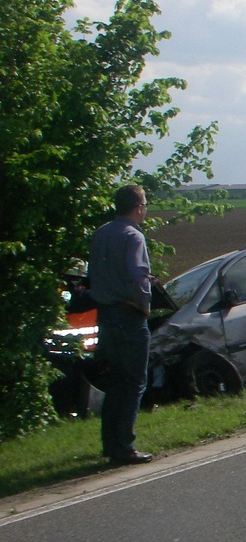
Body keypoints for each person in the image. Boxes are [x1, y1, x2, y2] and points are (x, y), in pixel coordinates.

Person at [88, 184, 154, 464]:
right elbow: (137, 277)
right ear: (138, 207)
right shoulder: (133, 237)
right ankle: (124, 447)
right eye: (145, 205)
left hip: (104, 314)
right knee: (133, 382)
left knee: (115, 381)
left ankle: (110, 443)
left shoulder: (101, 233)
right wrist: (145, 305)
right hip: (128, 316)